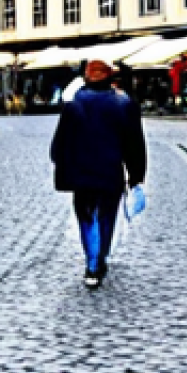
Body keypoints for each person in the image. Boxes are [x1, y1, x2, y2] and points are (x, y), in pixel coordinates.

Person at [50, 59, 147, 289]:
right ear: (109, 77)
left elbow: (58, 146)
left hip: (81, 174)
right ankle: (100, 257)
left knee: (86, 217)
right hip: (110, 173)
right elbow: (135, 145)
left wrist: (62, 165)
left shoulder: (73, 106)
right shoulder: (124, 105)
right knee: (106, 217)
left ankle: (92, 264)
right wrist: (136, 176)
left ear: (87, 77)